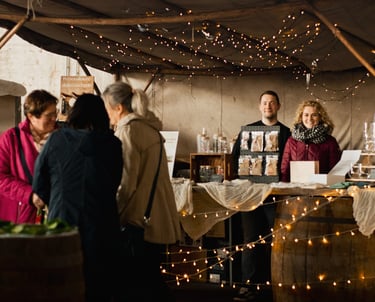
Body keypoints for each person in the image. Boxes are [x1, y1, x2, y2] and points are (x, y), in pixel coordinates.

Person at [32, 93, 124, 302]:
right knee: (98, 289)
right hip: (102, 227)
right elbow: (115, 183)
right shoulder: (112, 144)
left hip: (62, 225)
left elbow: (39, 185)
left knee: (62, 287)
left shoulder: (55, 140)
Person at [102, 81, 181, 302]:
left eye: (107, 108)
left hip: (138, 221)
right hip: (157, 217)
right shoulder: (150, 129)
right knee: (151, 280)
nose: (107, 115)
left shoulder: (127, 131)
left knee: (137, 284)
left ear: (118, 107)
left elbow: (127, 183)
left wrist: (113, 214)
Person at [231, 90, 291, 301]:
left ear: (278, 106)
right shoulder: (248, 132)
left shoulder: (286, 133)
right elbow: (236, 158)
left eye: (272, 103)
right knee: (250, 239)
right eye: (265, 103)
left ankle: (277, 285)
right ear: (259, 106)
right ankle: (248, 286)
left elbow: (290, 164)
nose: (268, 106)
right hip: (251, 194)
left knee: (278, 239)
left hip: (275, 195)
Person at [0, 89, 58, 223]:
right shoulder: (11, 139)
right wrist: (29, 195)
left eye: (55, 113)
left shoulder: (62, 138)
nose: (54, 119)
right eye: (49, 115)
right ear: (31, 116)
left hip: (54, 214)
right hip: (20, 216)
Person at [281, 99, 341, 182]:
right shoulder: (291, 141)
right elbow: (285, 171)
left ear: (320, 117)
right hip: (296, 190)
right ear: (301, 117)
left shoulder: (330, 141)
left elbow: (335, 171)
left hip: (321, 190)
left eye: (314, 115)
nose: (309, 118)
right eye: (306, 115)